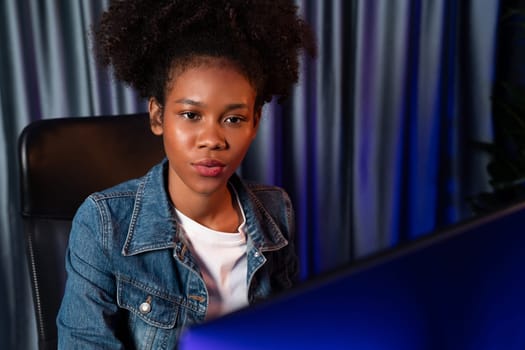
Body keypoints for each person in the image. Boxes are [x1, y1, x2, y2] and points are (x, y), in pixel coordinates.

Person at [57, 0, 316, 348]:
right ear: (157, 117)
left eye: (234, 119)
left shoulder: (275, 211)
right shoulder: (103, 225)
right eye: (191, 115)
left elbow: (288, 333)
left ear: (255, 123)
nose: (212, 140)